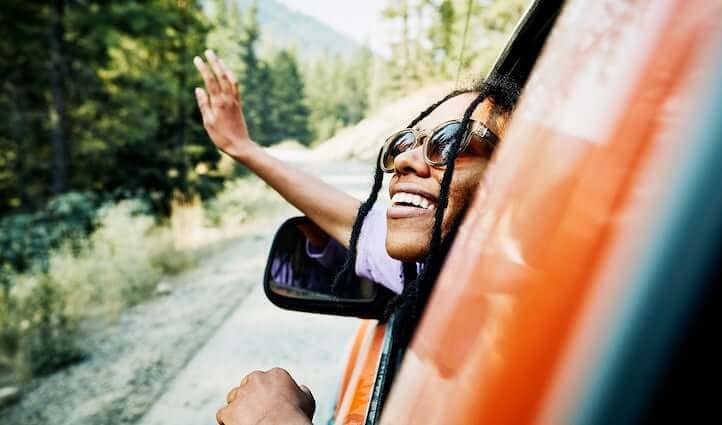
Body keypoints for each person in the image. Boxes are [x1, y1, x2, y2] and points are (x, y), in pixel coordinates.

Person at [192, 49, 519, 425]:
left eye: (452, 142)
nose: (405, 161)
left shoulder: (532, 329)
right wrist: (241, 148)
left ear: (515, 182)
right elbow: (349, 222)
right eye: (405, 143)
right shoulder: (431, 268)